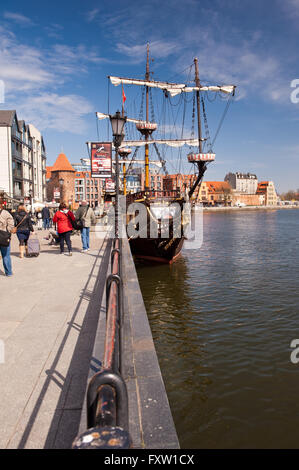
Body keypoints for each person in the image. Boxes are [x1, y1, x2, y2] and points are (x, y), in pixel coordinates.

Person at [0, 199, 14, 276]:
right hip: (3, 236)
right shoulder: (5, 213)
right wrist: (7, 231)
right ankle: (8, 272)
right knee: (6, 255)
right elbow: (11, 223)